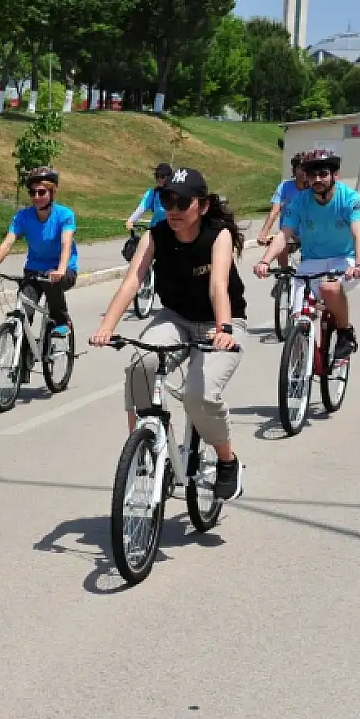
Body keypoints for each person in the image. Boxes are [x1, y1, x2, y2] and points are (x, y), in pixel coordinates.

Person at [91, 167, 246, 500]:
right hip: (175, 317)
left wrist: (224, 329)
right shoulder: (156, 235)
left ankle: (227, 461)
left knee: (200, 396)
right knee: (139, 363)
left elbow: (218, 285)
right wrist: (107, 327)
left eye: (182, 202)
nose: (173, 209)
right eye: (167, 200)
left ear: (202, 205)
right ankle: (147, 442)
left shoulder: (217, 234)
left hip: (220, 323)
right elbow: (132, 281)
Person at [254, 149, 360, 360]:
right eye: (312, 175)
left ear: (335, 175)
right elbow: (283, 234)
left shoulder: (350, 199)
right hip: (311, 262)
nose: (317, 179)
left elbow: (358, 234)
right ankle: (299, 365)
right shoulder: (299, 201)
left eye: (323, 174)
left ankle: (344, 331)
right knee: (298, 318)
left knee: (329, 287)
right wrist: (265, 260)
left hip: (345, 260)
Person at [0, 166, 77, 337]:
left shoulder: (65, 215)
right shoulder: (22, 217)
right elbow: (7, 243)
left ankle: (62, 320)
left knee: (50, 280)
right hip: (34, 269)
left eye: (41, 192)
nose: (36, 197)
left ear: (52, 193)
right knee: (23, 313)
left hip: (63, 270)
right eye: (33, 193)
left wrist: (61, 269)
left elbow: (66, 243)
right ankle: (23, 355)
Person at [256, 154, 309, 266]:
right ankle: (284, 275)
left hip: (310, 234)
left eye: (308, 169)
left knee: (308, 268)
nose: (305, 172)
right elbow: (274, 211)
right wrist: (263, 233)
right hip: (288, 233)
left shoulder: (314, 189)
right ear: (294, 170)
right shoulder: (285, 186)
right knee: (280, 245)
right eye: (301, 168)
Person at [125, 163, 175, 240]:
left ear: (170, 177)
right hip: (155, 229)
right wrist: (130, 220)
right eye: (157, 176)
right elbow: (142, 207)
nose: (159, 179)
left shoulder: (175, 194)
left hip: (172, 231)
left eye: (162, 176)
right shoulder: (153, 193)